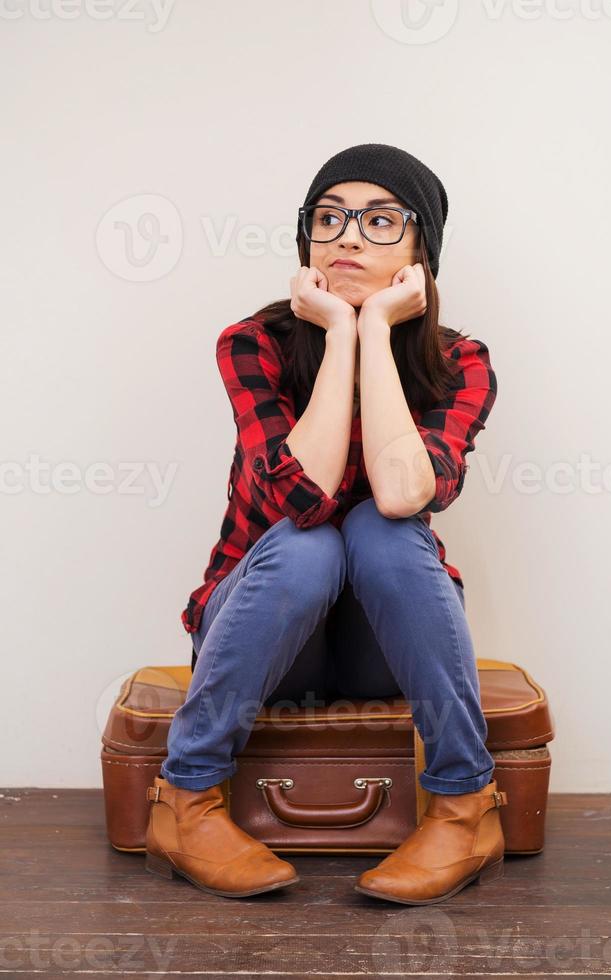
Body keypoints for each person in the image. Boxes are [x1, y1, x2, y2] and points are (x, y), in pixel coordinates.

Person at [144, 142, 507, 905]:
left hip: (384, 643)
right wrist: (337, 336)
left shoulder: (461, 361)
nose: (348, 236)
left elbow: (408, 494)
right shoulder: (256, 343)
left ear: (419, 253)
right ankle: (185, 802)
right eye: (330, 218)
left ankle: (465, 808)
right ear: (306, 239)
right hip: (265, 633)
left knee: (383, 527)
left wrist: (375, 332)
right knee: (311, 544)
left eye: (381, 221)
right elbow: (300, 499)